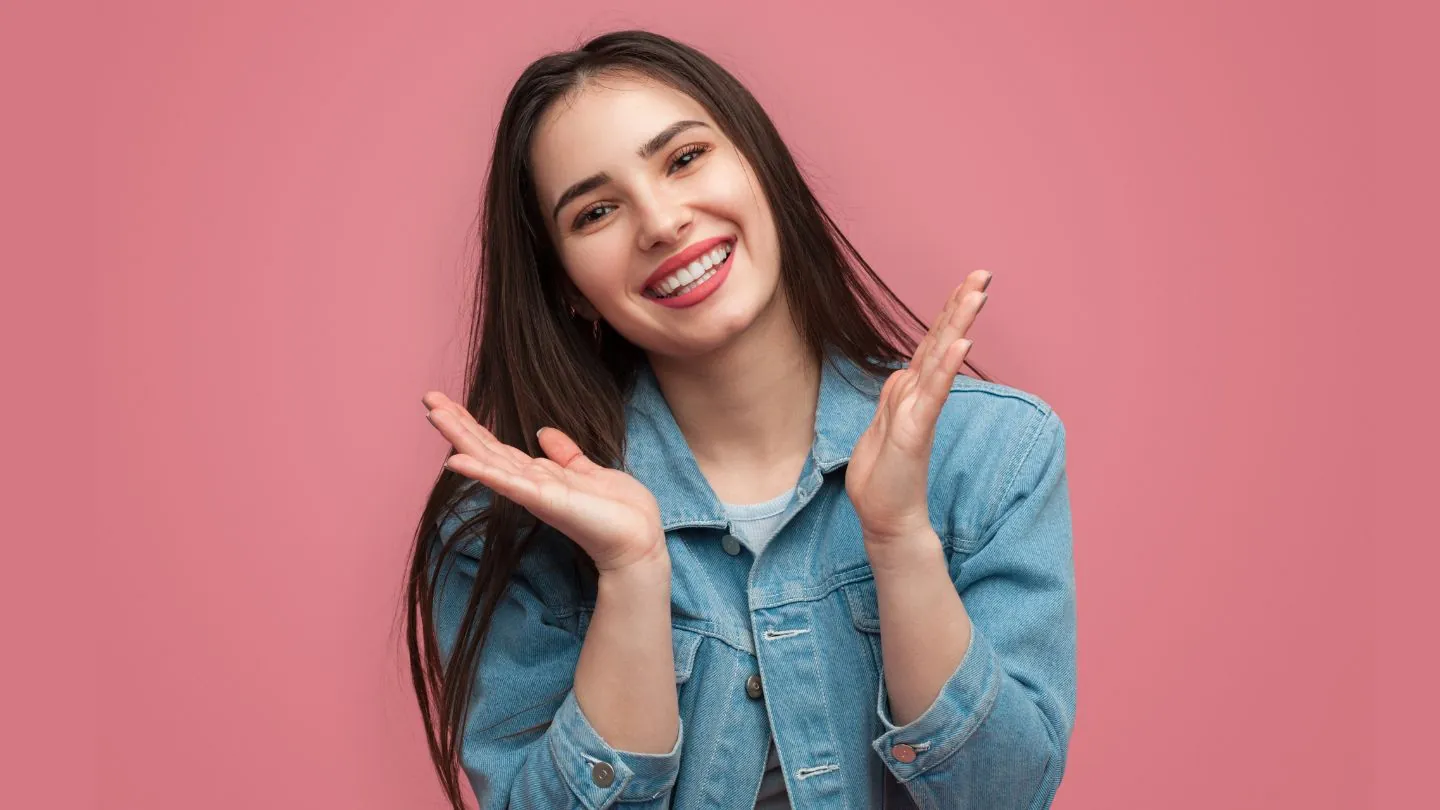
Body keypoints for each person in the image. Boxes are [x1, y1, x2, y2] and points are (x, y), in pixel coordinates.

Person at [407, 29, 1075, 810]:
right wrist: (629, 577)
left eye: (684, 159)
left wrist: (898, 539)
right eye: (596, 211)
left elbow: (1004, 796)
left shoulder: (993, 453)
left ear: (762, 166)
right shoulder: (508, 529)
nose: (661, 222)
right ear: (568, 289)